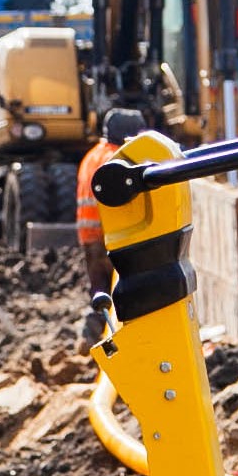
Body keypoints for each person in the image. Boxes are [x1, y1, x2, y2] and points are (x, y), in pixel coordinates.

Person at [75, 109, 145, 350]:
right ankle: (120, 349)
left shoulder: (90, 157)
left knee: (99, 294)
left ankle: (89, 338)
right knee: (124, 298)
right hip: (112, 238)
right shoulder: (117, 159)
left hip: (88, 238)